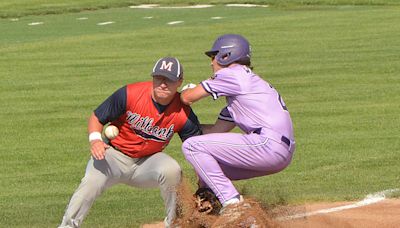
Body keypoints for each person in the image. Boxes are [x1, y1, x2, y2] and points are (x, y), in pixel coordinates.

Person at [59, 57, 202, 228]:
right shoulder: (130, 94)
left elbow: (197, 150)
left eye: (169, 80)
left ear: (179, 82)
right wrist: (95, 140)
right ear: (153, 78)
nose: (163, 84)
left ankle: (173, 224)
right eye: (159, 78)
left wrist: (204, 185)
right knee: (91, 182)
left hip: (148, 162)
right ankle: (67, 226)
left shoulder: (183, 112)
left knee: (172, 169)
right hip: (113, 156)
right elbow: (97, 117)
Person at [180, 34, 296, 213]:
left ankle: (234, 204)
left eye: (213, 57)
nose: (211, 63)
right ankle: (214, 214)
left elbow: (187, 97)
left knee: (192, 147)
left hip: (266, 144)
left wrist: (185, 91)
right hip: (279, 152)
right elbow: (216, 130)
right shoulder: (243, 95)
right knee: (207, 169)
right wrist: (179, 128)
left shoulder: (232, 74)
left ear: (225, 56)